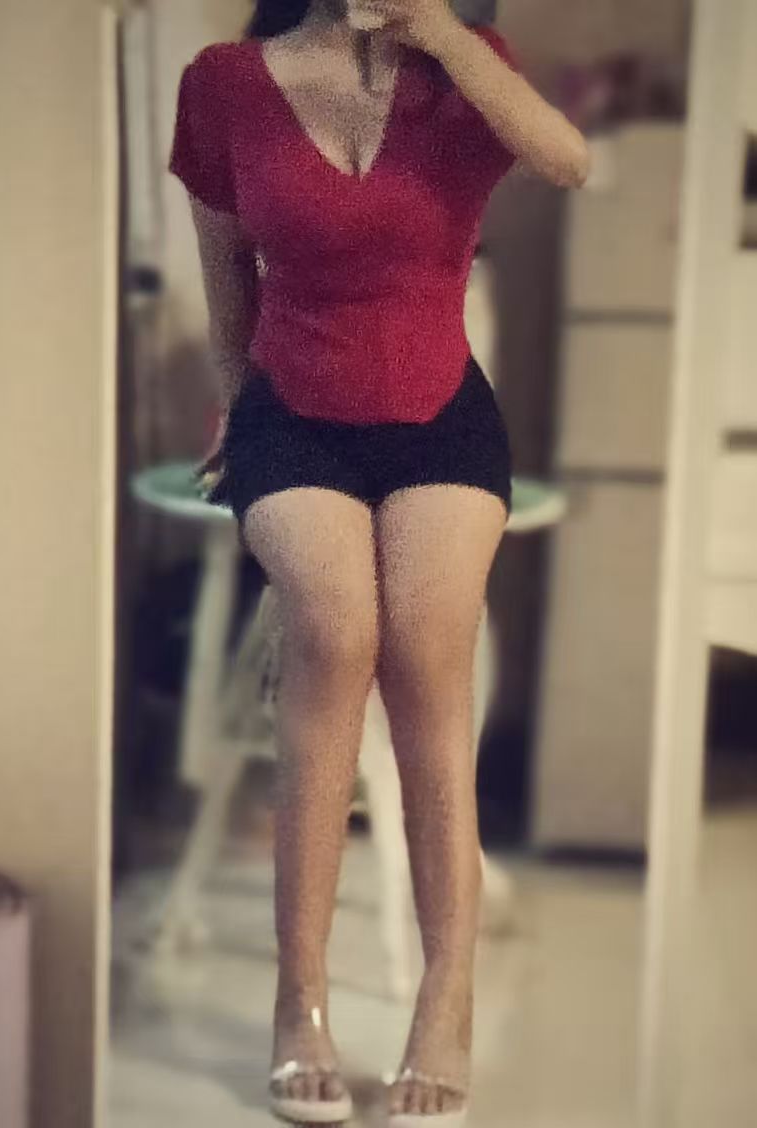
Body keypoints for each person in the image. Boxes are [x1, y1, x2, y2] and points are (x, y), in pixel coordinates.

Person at [169, 2, 589, 1124]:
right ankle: (298, 1000)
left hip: (442, 414)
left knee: (428, 658)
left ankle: (445, 998)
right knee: (338, 626)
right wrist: (236, 408)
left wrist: (442, 34)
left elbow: (569, 161)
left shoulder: (469, 69)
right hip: (289, 414)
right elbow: (224, 263)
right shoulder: (224, 80)